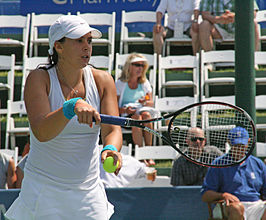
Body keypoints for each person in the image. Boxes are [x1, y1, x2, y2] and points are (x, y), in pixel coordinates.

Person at [5, 15, 122, 220]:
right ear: (58, 47)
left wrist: (111, 148)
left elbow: (112, 129)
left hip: (89, 193)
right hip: (44, 191)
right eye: (78, 40)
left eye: (89, 40)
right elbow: (42, 132)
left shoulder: (103, 80)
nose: (87, 47)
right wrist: (71, 107)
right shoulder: (38, 78)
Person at [201, 126, 266, 220]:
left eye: (242, 145)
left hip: (256, 205)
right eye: (236, 145)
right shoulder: (218, 164)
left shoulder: (258, 164)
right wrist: (223, 195)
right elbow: (205, 195)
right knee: (236, 208)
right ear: (229, 142)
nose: (239, 149)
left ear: (248, 142)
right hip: (229, 206)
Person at [115, 53, 155, 166]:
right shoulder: (120, 84)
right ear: (129, 66)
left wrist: (145, 102)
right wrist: (125, 111)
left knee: (146, 115)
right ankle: (142, 156)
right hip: (124, 117)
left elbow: (151, 103)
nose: (140, 68)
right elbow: (113, 108)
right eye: (137, 64)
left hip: (141, 113)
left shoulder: (144, 83)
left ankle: (148, 153)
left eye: (142, 65)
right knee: (137, 118)